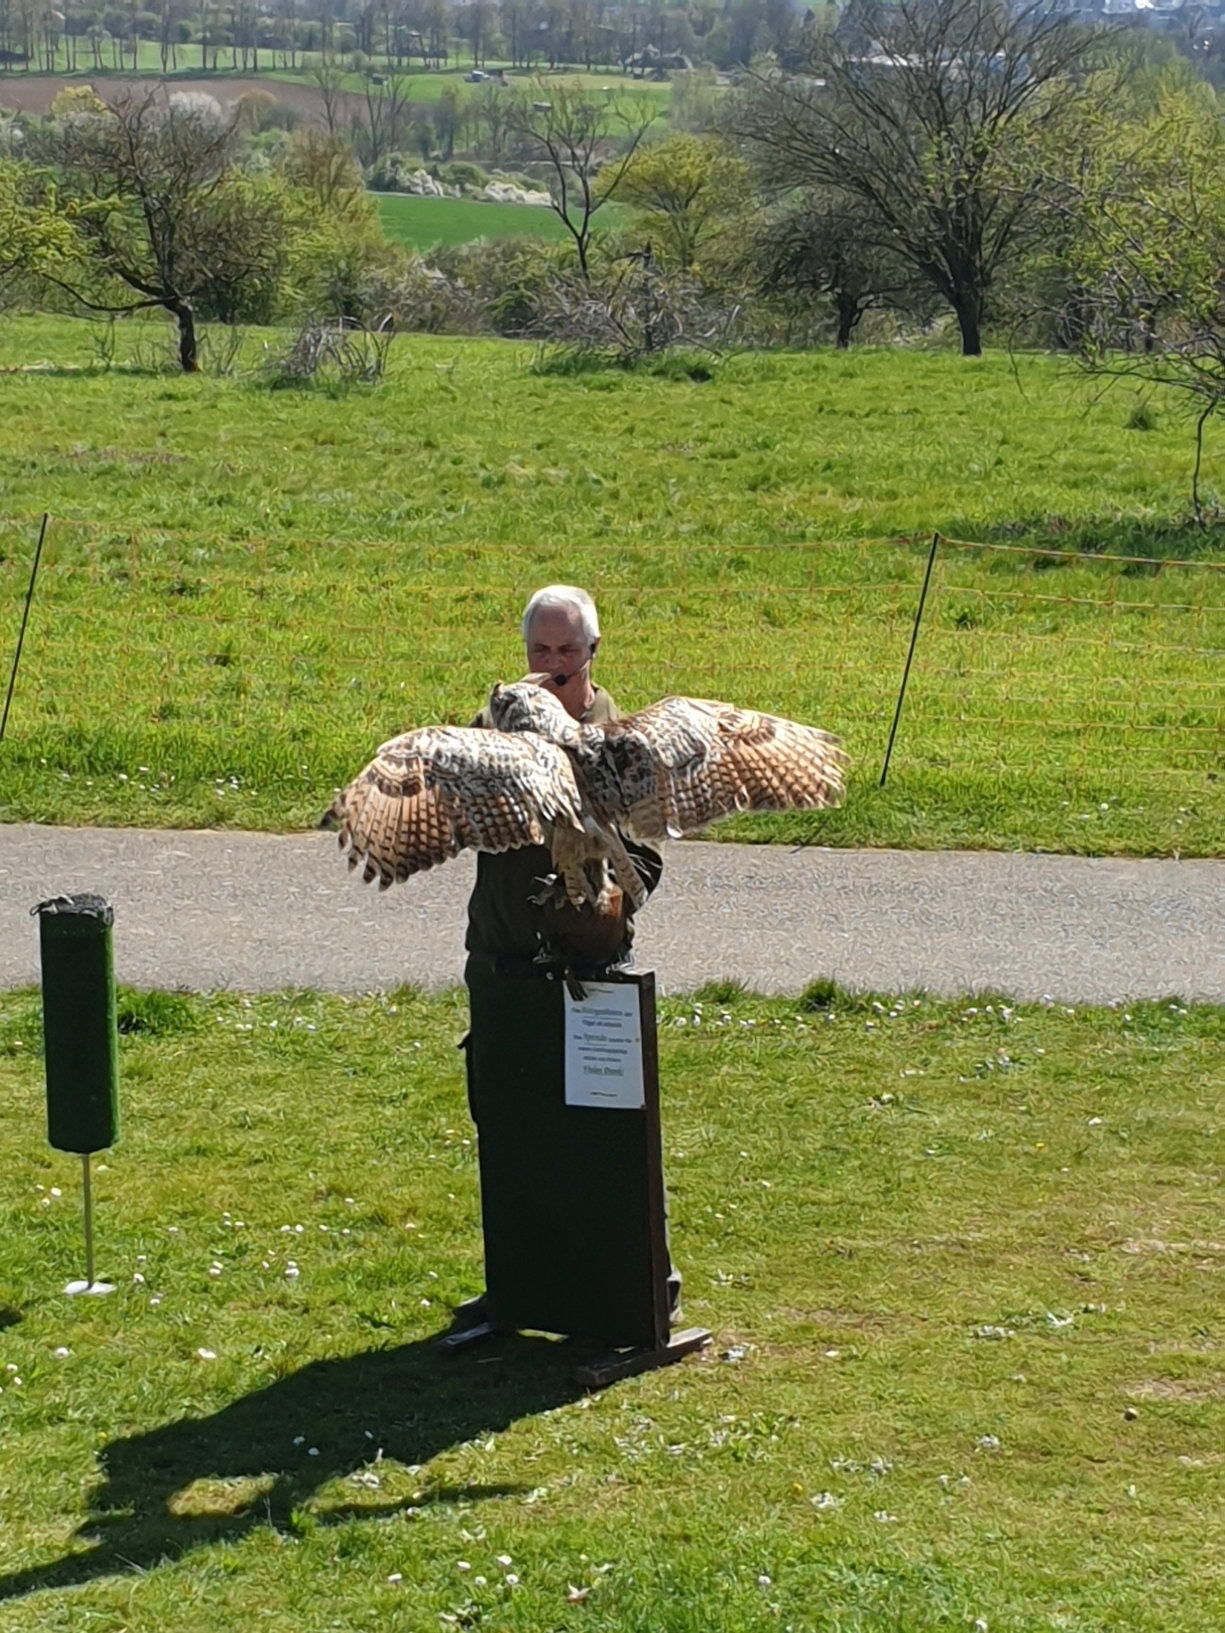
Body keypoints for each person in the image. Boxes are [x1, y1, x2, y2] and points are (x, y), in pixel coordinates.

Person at [461, 585, 680, 1323]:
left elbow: (644, 864)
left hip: (588, 971)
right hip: (501, 954)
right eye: (539, 651)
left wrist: (599, 899)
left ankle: (638, 1292)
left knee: (604, 1134)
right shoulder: (492, 725)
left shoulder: (621, 744)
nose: (552, 665)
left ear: (592, 653)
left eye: (565, 651)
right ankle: (518, 1286)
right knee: (508, 1122)